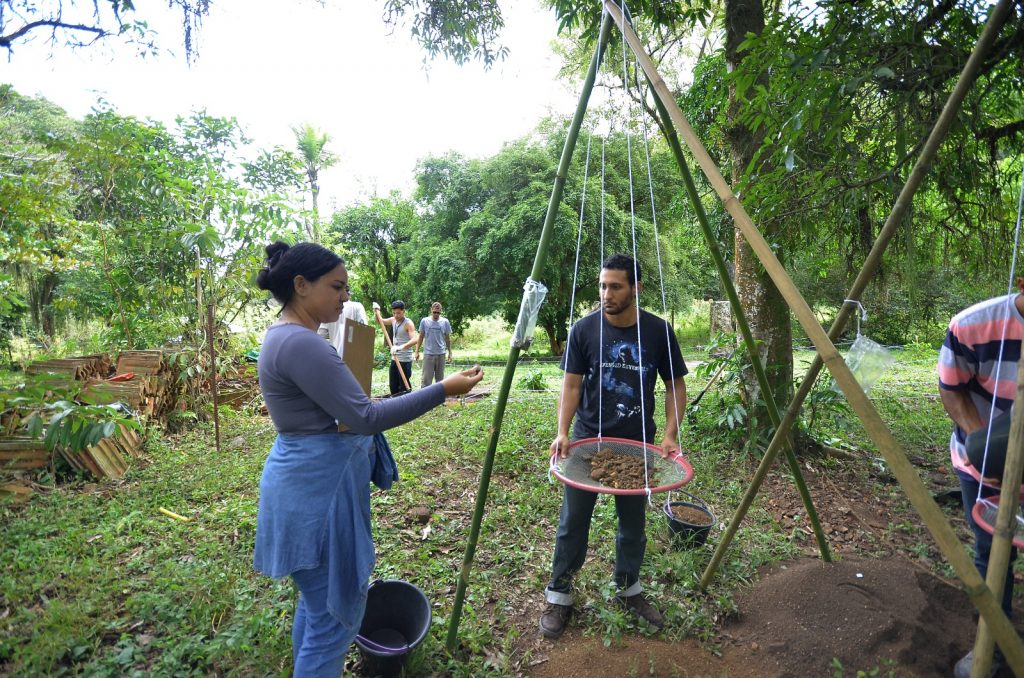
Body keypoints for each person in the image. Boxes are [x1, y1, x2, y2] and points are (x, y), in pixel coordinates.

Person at [253, 241, 484, 676]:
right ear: (301, 285)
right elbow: (363, 417)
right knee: (332, 627)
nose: (345, 297)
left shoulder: (286, 337)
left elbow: (343, 408)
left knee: (318, 607)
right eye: (337, 287)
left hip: (305, 484)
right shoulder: (303, 344)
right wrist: (442, 390)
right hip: (317, 496)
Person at [540, 253, 688, 640]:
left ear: (636, 288)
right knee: (573, 522)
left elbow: (675, 385)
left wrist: (671, 433)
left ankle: (628, 590)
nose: (607, 293)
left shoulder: (658, 332)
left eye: (616, 286)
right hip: (589, 441)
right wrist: (562, 431)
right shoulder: (584, 330)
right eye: (603, 285)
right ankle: (559, 594)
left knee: (633, 526)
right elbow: (571, 385)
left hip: (638, 445)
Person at [939, 278, 1024, 678]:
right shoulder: (974, 325)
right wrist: (983, 443)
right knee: (994, 550)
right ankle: (991, 643)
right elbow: (951, 388)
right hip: (985, 461)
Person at [373, 300, 418, 396]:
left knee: (403, 386)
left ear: (403, 311)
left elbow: (415, 340)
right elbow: (380, 321)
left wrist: (400, 347)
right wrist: (376, 311)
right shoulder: (393, 320)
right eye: (394, 313)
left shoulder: (408, 323)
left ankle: (407, 406)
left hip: (405, 360)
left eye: (398, 313)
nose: (396, 315)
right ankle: (395, 405)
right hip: (395, 358)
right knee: (393, 385)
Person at [416, 301, 453, 387]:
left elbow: (447, 338)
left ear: (441, 311)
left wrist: (450, 353)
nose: (436, 314)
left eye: (438, 313)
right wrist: (417, 351)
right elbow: (421, 336)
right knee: (426, 380)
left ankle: (439, 399)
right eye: (434, 312)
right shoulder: (424, 321)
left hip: (441, 354)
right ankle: (425, 399)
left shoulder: (445, 322)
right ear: (431, 310)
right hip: (428, 354)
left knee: (440, 381)